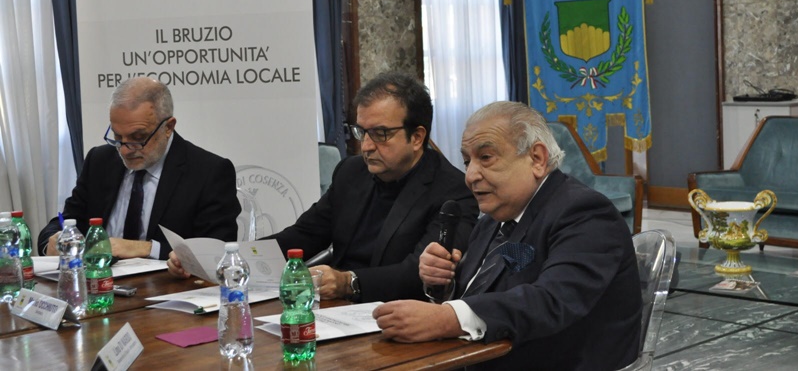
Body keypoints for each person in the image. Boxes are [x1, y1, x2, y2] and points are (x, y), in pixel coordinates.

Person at [373, 101, 642, 370]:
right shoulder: (494, 220)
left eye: (486, 158)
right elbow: (483, 291)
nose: (470, 175)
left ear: (537, 159)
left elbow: (551, 300)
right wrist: (443, 283)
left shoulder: (585, 213)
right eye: (467, 161)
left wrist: (446, 318)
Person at [168, 71, 478, 303]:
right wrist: (222, 261)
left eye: (381, 134)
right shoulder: (351, 172)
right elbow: (301, 236)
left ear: (417, 137)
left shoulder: (453, 193)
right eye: (362, 132)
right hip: (335, 309)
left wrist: (348, 282)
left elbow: (420, 273)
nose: (367, 146)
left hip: (397, 313)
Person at [38, 77, 239, 260]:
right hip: (101, 280)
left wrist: (146, 248)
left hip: (167, 285)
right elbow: (69, 220)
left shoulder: (208, 172)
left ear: (168, 127)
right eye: (117, 136)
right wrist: (52, 240)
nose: (125, 150)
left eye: (138, 138)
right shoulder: (100, 161)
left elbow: (217, 250)